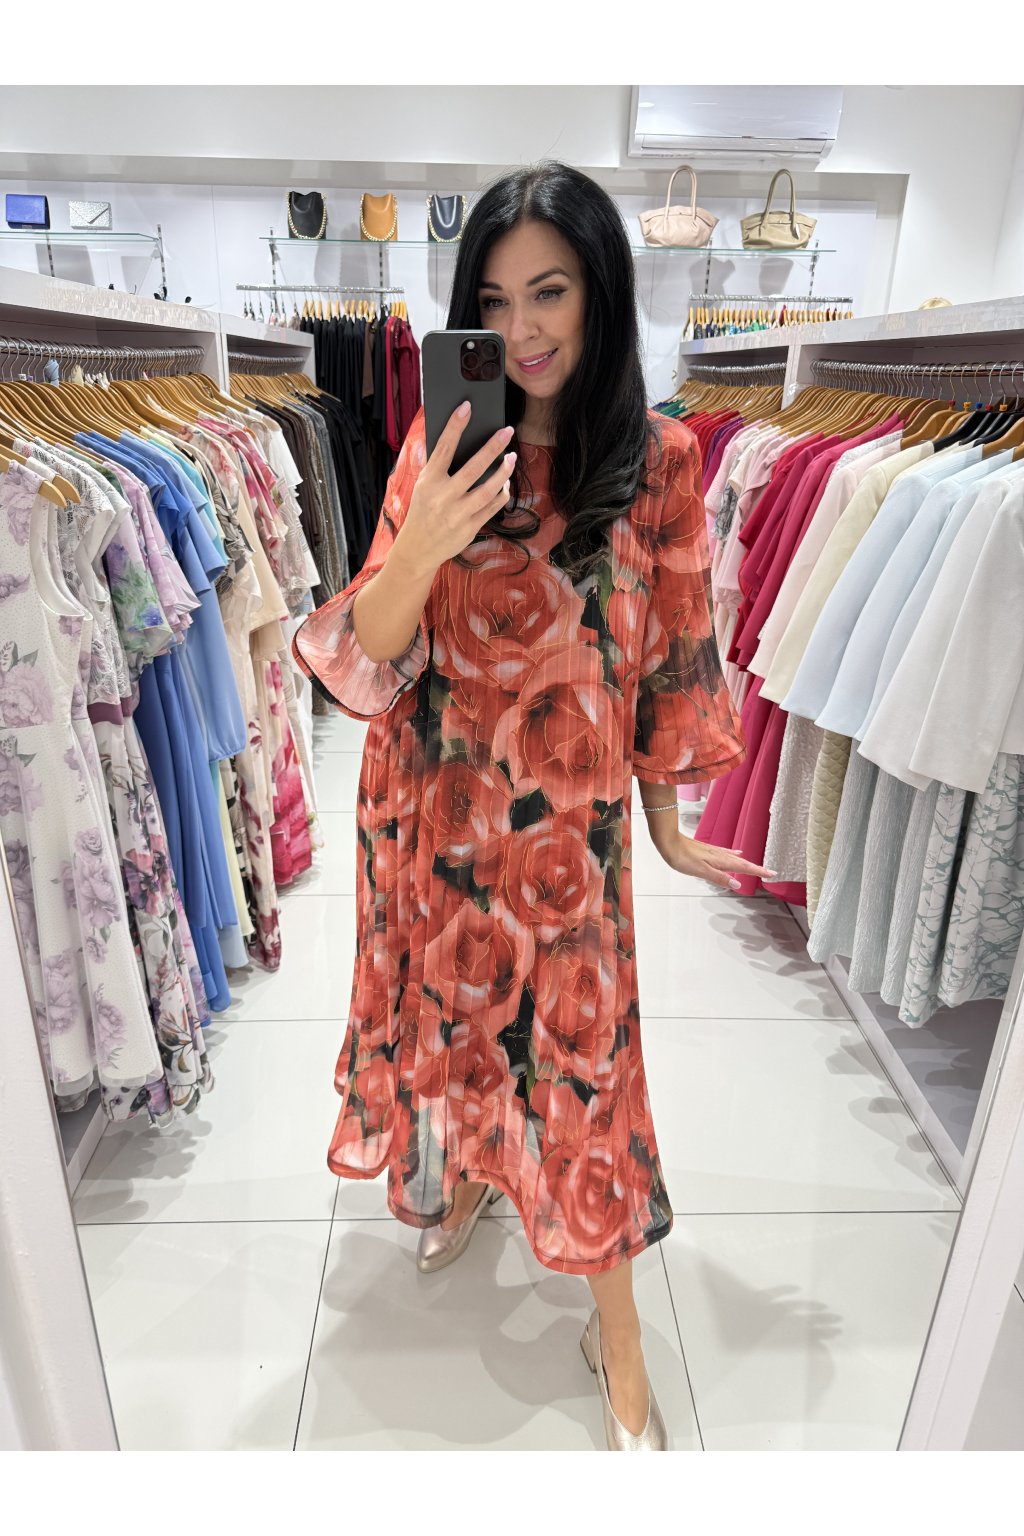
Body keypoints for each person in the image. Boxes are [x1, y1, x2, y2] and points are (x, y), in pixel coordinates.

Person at [292, 159, 770, 1451]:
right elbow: (367, 659)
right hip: (436, 815)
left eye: (549, 293)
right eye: (493, 305)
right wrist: (426, 538)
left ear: (600, 291)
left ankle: (617, 1328)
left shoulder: (661, 459)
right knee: (457, 1026)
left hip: (571, 835)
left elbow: (672, 649)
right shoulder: (441, 444)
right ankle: (467, 1180)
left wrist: (667, 824)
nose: (522, 332)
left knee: (584, 1067)